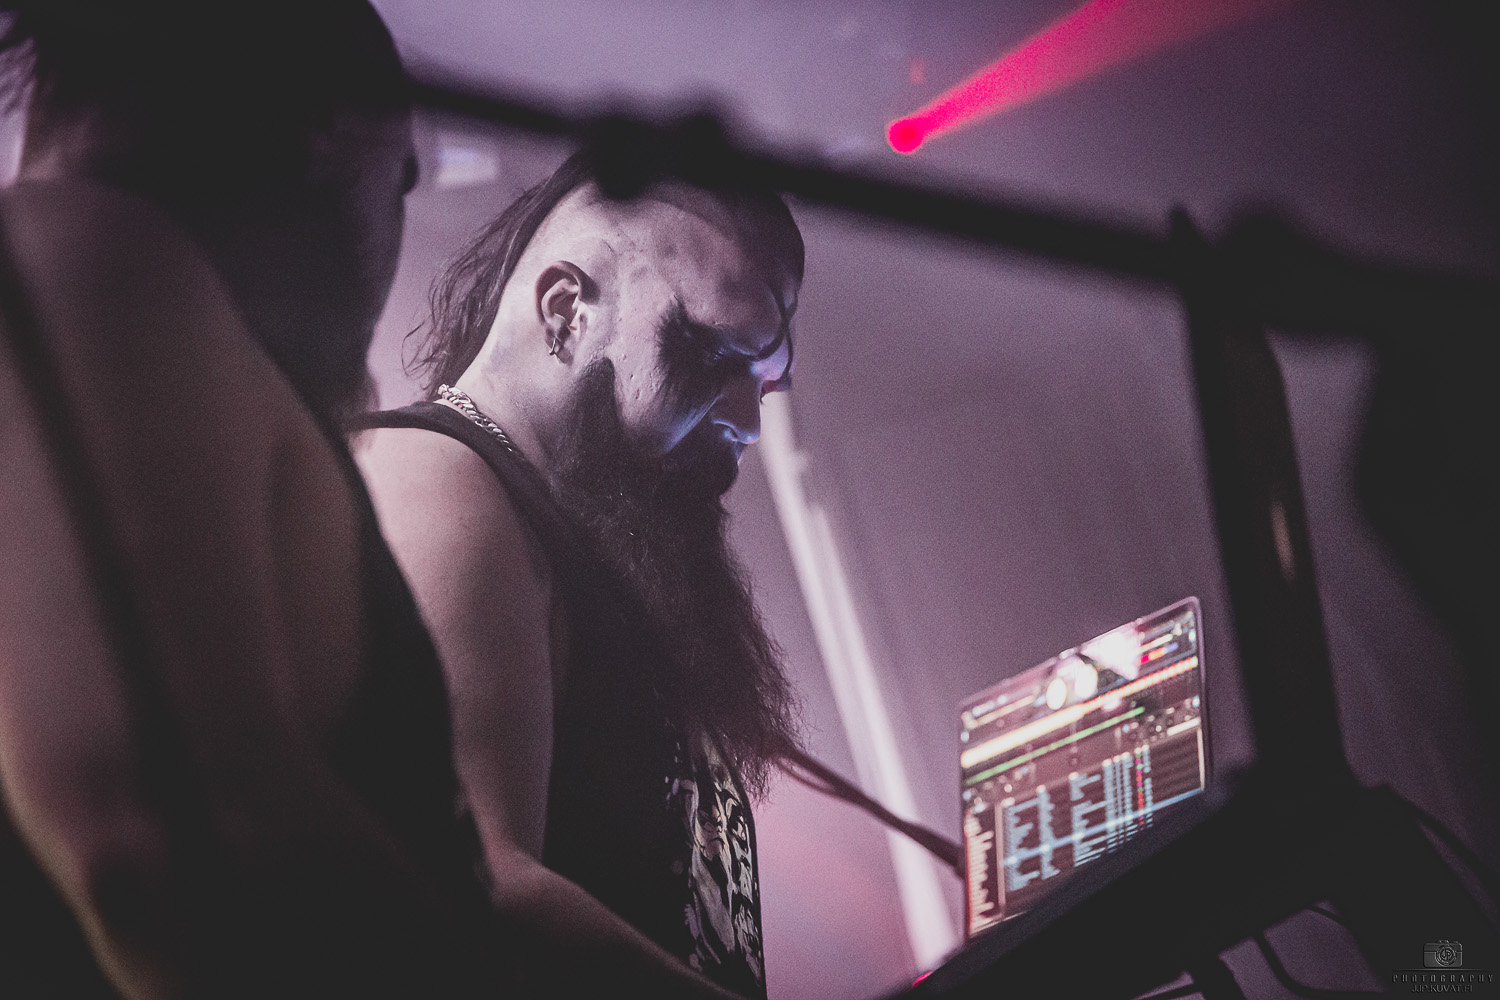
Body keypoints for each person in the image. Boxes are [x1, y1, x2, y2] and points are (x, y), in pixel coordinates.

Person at [0, 2, 503, 995]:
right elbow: (171, 841)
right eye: (403, 176)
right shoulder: (81, 255)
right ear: (336, 133)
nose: (400, 217)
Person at [352, 152, 805, 998]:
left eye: (764, 382)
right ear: (565, 310)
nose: (747, 422)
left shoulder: (579, 541)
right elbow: (474, 883)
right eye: (714, 356)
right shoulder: (439, 477)